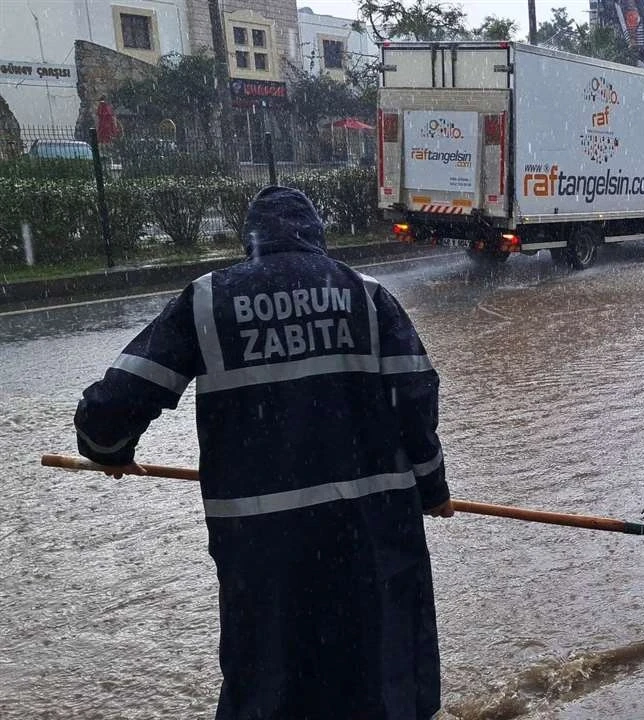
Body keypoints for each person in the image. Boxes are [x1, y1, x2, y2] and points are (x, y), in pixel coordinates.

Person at [73, 186, 453, 720]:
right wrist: (432, 488)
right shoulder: (367, 296)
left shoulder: (208, 299)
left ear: (251, 243)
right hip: (370, 530)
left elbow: (119, 398)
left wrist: (105, 447)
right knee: (379, 670)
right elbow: (415, 395)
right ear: (317, 237)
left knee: (270, 678)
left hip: (262, 541)